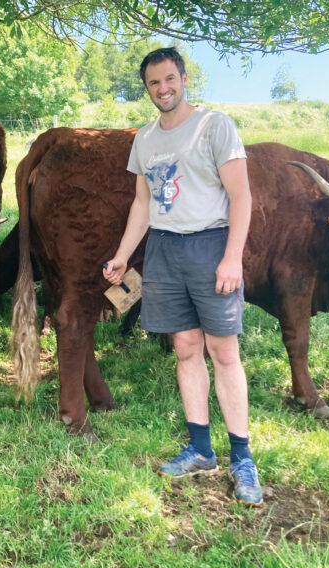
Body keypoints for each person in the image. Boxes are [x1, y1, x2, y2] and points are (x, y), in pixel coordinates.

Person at [103, 47, 262, 506]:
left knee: (224, 351)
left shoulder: (215, 126)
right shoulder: (146, 139)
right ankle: (200, 449)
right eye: (154, 83)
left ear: (185, 78)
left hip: (211, 245)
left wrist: (232, 258)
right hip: (165, 250)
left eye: (169, 79)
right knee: (186, 348)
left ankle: (242, 456)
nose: (163, 89)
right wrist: (122, 256)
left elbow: (242, 197)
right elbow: (141, 204)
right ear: (147, 88)